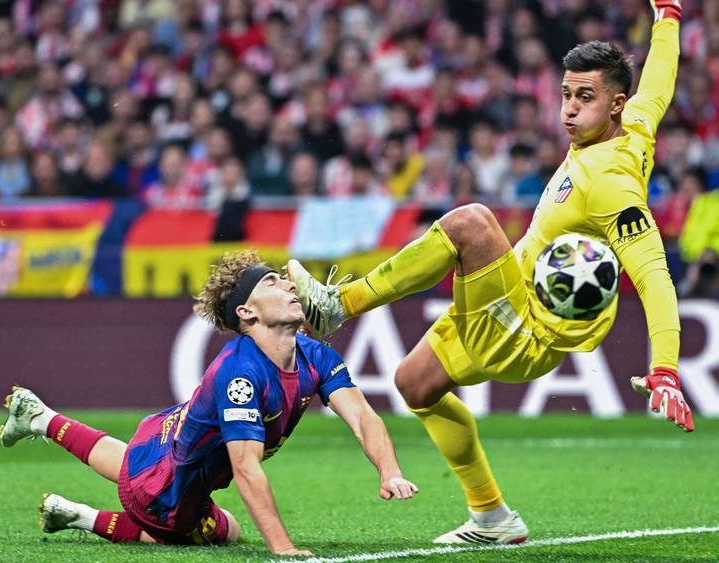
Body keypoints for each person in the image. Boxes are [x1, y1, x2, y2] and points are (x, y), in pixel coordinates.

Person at [287, 0, 692, 546]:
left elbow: (653, 274)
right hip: (510, 298)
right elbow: (660, 79)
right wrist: (668, 15)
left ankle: (339, 305)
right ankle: (492, 517)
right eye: (566, 95)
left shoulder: (612, 183)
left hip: (528, 329)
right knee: (415, 383)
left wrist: (665, 367)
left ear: (615, 104)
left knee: (472, 223)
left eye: (585, 98)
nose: (570, 110)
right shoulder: (636, 123)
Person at [0, 251, 417, 556]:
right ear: (247, 313)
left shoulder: (316, 355)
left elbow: (363, 417)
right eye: (272, 282)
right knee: (220, 531)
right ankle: (82, 515)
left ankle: (42, 419)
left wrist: (389, 470)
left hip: (164, 443)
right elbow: (246, 467)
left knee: (139, 468)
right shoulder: (240, 376)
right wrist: (283, 548)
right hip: (166, 494)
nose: (291, 285)